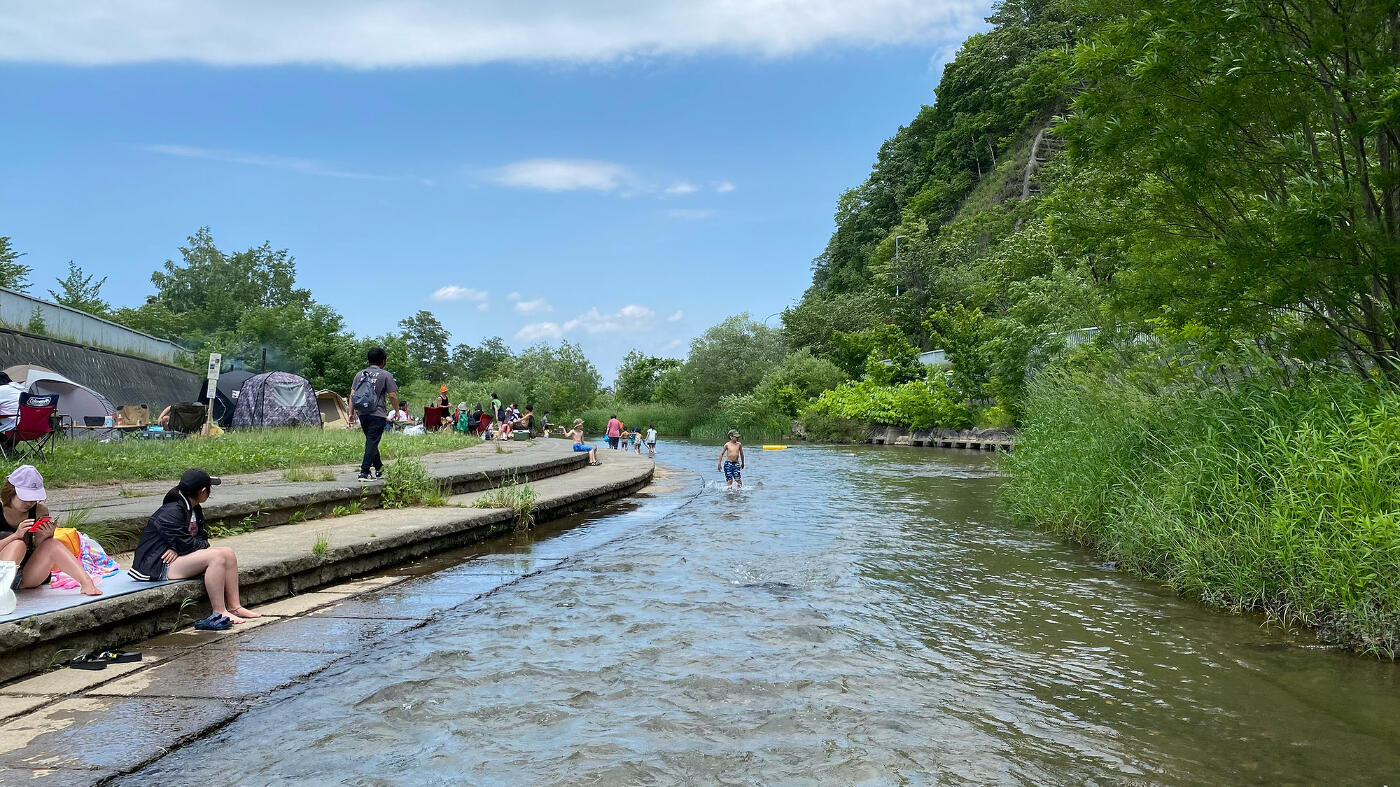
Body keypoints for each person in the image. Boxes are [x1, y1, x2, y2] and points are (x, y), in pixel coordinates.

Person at [128, 469, 258, 628]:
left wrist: (178, 547)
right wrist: (181, 546)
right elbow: (187, 544)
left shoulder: (194, 508)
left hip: (176, 558)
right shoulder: (172, 511)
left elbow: (201, 539)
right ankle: (219, 611)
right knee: (216, 557)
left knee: (227, 554)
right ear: (203, 491)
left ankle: (235, 607)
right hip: (155, 565)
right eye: (209, 488)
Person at [0, 466, 102, 596]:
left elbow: (37, 549)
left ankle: (87, 583)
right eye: (24, 498)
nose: (29, 503)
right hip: (3, 570)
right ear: (11, 492)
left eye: (33, 499)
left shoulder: (39, 511)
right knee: (18, 545)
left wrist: (43, 538)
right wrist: (15, 536)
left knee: (52, 544)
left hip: (25, 574)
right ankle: (2, 591)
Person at [349, 346, 399, 481]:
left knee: (372, 441)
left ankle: (379, 468)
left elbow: (352, 395)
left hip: (363, 414)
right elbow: (392, 396)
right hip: (378, 414)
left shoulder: (359, 374)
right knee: (372, 441)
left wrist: (351, 413)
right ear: (383, 361)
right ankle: (364, 472)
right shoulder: (385, 375)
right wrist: (397, 411)